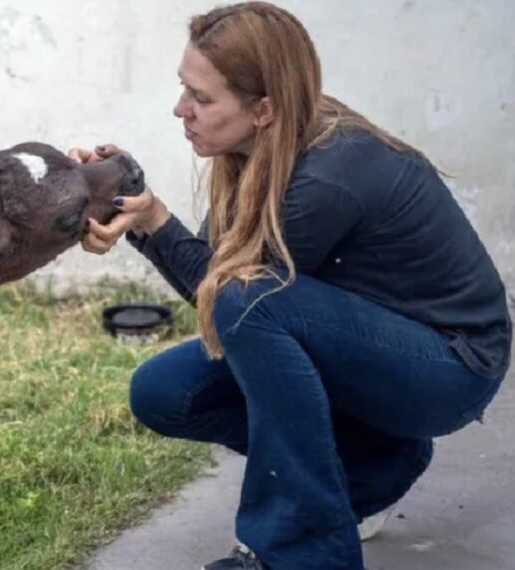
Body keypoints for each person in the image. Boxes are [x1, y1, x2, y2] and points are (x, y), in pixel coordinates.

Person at [68, 2, 511, 570]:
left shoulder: (332, 171)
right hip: (369, 351)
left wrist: (155, 223)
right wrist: (135, 204)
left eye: (202, 99)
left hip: (449, 369)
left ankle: (299, 554)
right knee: (163, 391)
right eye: (185, 89)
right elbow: (221, 290)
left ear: (264, 108)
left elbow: (233, 296)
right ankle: (373, 465)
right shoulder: (256, 150)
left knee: (251, 303)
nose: (182, 110)